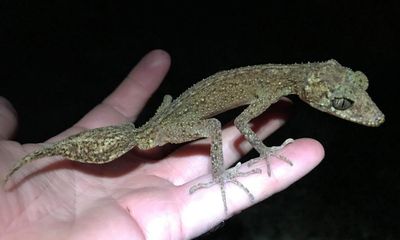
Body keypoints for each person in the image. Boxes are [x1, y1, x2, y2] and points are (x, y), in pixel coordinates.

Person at [0, 49, 323, 239]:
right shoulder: (272, 84)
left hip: (166, 120)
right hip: (163, 128)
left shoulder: (276, 77)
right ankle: (217, 177)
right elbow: (238, 123)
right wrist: (263, 151)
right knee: (212, 125)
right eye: (338, 102)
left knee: (192, 121)